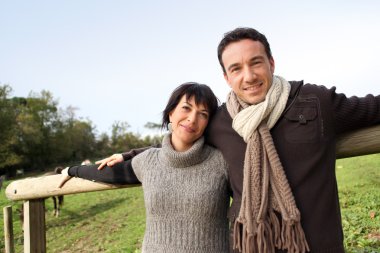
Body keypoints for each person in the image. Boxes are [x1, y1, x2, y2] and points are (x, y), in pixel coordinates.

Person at [66, 28, 380, 253]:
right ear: (227, 78)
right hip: (252, 245)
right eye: (236, 68)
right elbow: (178, 140)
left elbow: (372, 108)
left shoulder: (315, 101)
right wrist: (126, 155)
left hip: (317, 245)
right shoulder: (219, 121)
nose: (249, 75)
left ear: (271, 63)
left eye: (256, 62)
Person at [59, 82, 231, 253]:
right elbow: (107, 172)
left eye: (203, 114)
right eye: (186, 108)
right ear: (171, 113)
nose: (192, 118)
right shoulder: (148, 161)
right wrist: (71, 170)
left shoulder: (222, 161)